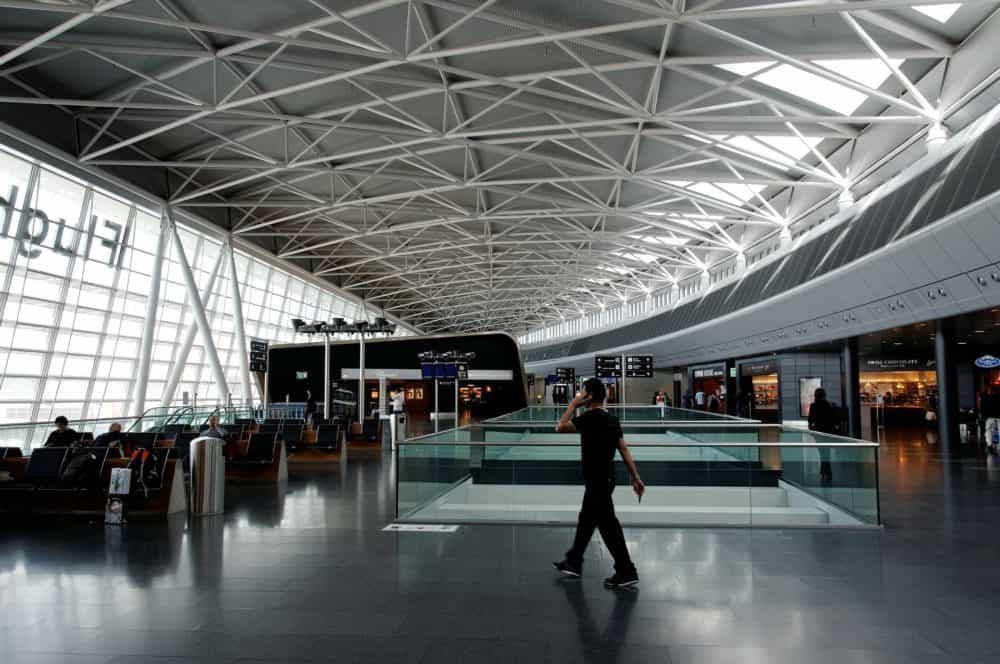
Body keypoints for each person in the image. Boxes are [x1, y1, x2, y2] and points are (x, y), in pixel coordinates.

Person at [552, 378, 644, 589]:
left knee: (608, 526)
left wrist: (573, 405)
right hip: (607, 479)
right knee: (587, 520)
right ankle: (574, 560)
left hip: (596, 480)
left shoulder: (589, 418)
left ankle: (627, 570)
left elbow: (560, 427)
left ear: (590, 396)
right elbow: (624, 449)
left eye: (583, 393)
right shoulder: (612, 420)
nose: (581, 395)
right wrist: (636, 476)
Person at [807, 388, 838, 481]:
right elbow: (834, 420)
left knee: (822, 452)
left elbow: (810, 420)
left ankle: (825, 471)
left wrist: (812, 430)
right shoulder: (829, 405)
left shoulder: (813, 405)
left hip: (818, 432)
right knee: (826, 452)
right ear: (824, 395)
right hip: (827, 432)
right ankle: (826, 471)